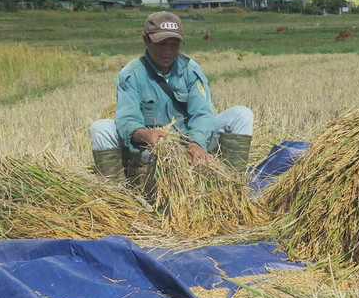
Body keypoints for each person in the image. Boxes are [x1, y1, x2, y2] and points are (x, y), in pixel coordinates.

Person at [89, 11, 254, 181]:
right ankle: (118, 195)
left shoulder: (190, 69)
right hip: (149, 150)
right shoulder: (131, 74)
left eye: (174, 45)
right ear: (146, 40)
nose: (168, 51)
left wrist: (196, 143)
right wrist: (145, 135)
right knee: (100, 128)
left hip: (189, 144)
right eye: (162, 44)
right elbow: (126, 121)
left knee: (241, 115)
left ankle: (232, 182)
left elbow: (203, 113)